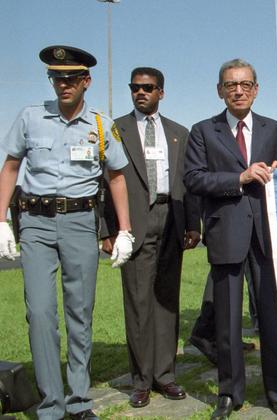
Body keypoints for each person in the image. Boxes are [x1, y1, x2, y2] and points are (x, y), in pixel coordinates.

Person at [0, 45, 133, 420]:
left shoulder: (103, 125)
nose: (63, 84)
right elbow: (10, 167)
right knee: (40, 313)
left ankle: (78, 401)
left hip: (79, 223)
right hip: (36, 223)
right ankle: (50, 406)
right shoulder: (30, 118)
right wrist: (1, 222)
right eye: (56, 77)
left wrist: (124, 230)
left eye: (71, 78)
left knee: (80, 312)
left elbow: (117, 177)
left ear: (86, 81)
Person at [184, 58, 277, 418]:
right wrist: (239, 178)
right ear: (220, 90)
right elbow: (194, 179)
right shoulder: (203, 130)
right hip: (226, 232)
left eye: (245, 84)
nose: (238, 90)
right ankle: (230, 393)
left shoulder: (273, 128)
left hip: (266, 235)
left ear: (256, 89)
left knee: (271, 318)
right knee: (228, 322)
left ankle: (276, 391)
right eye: (231, 85)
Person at [102, 67, 202, 407]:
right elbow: (104, 180)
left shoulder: (178, 132)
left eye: (148, 88)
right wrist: (108, 230)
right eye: (135, 87)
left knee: (166, 301)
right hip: (133, 223)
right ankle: (141, 380)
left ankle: (166, 375)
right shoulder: (115, 129)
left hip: (171, 219)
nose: (140, 93)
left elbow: (187, 183)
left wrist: (192, 224)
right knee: (138, 302)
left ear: (161, 92)